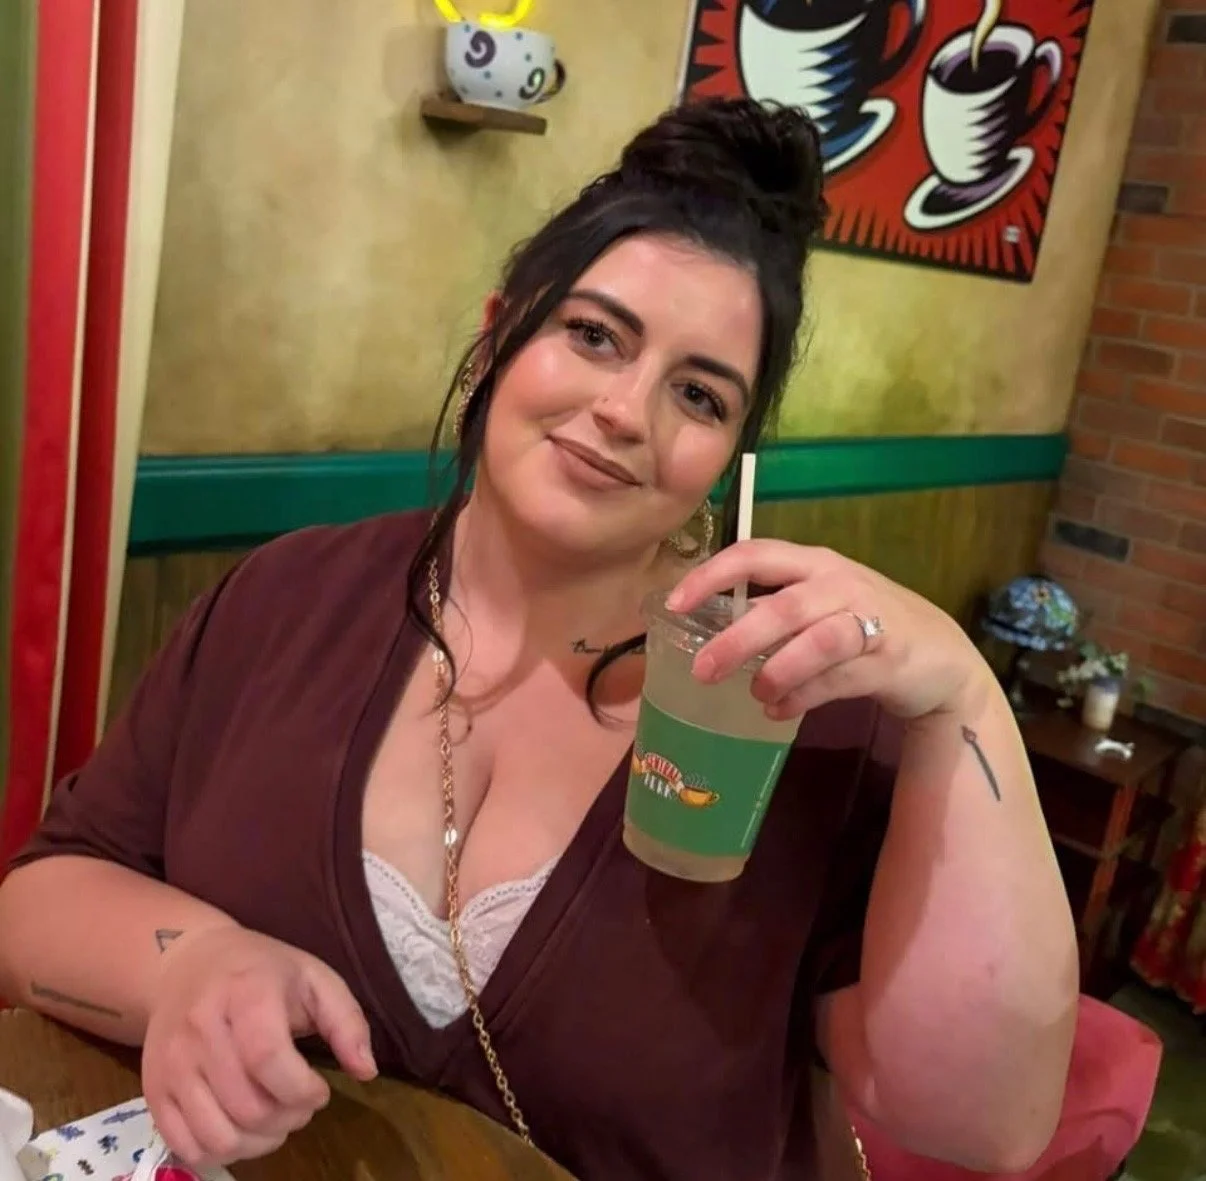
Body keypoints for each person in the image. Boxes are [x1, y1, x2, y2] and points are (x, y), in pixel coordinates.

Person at [0, 97, 1078, 1180]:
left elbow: (985, 1123)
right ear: (497, 331)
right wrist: (191, 963)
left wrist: (964, 702)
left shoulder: (795, 708)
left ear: (731, 455)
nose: (625, 411)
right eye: (594, 334)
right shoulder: (284, 597)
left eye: (699, 394)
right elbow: (46, 892)